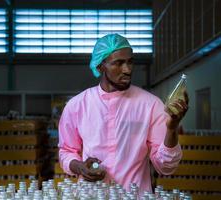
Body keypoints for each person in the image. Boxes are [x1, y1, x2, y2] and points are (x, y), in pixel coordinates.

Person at [58, 33, 189, 194]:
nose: (127, 70)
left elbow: (166, 166)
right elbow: (66, 151)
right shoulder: (77, 106)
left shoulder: (150, 105)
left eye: (130, 62)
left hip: (135, 195)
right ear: (100, 66)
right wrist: (80, 167)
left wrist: (171, 129)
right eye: (118, 63)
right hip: (92, 195)